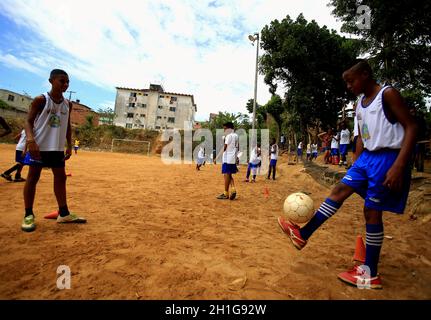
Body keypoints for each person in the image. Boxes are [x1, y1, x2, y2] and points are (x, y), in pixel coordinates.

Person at [277, 59, 417, 289]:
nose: (349, 86)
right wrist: (356, 163)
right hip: (367, 159)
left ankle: (370, 272)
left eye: (351, 80)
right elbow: (362, 136)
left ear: (365, 75)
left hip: (388, 158)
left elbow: (412, 126)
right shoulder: (360, 105)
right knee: (340, 189)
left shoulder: (388, 94)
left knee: (371, 212)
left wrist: (400, 165)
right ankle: (303, 234)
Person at [21, 69, 86, 232]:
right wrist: (30, 140)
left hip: (56, 148)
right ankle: (28, 214)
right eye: (62, 81)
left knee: (60, 178)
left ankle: (63, 213)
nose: (65, 84)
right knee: (33, 177)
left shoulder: (67, 104)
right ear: (51, 81)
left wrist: (69, 146)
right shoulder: (41, 100)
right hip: (39, 146)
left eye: (67, 82)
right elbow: (28, 121)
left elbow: (67, 126)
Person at [217, 122, 238, 200]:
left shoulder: (229, 136)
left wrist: (217, 157)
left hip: (227, 158)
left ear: (229, 128)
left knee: (226, 175)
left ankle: (226, 193)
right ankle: (233, 189)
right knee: (229, 175)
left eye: (225, 128)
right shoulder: (236, 135)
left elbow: (225, 148)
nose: (224, 130)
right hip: (232, 158)